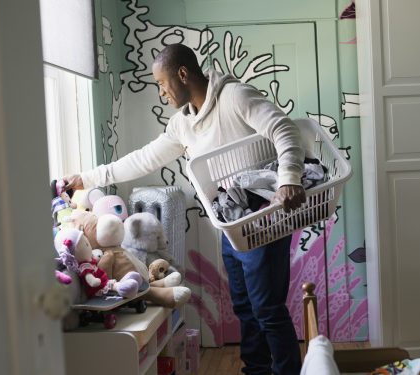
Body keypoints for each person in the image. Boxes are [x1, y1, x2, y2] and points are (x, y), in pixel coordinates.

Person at [64, 43, 305, 375]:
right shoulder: (182, 124)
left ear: (182, 73)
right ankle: (256, 370)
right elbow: (142, 158)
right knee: (245, 308)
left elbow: (284, 129)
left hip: (262, 215)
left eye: (162, 83)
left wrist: (289, 178)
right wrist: (87, 178)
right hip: (230, 222)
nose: (161, 92)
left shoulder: (235, 97)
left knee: (267, 308)